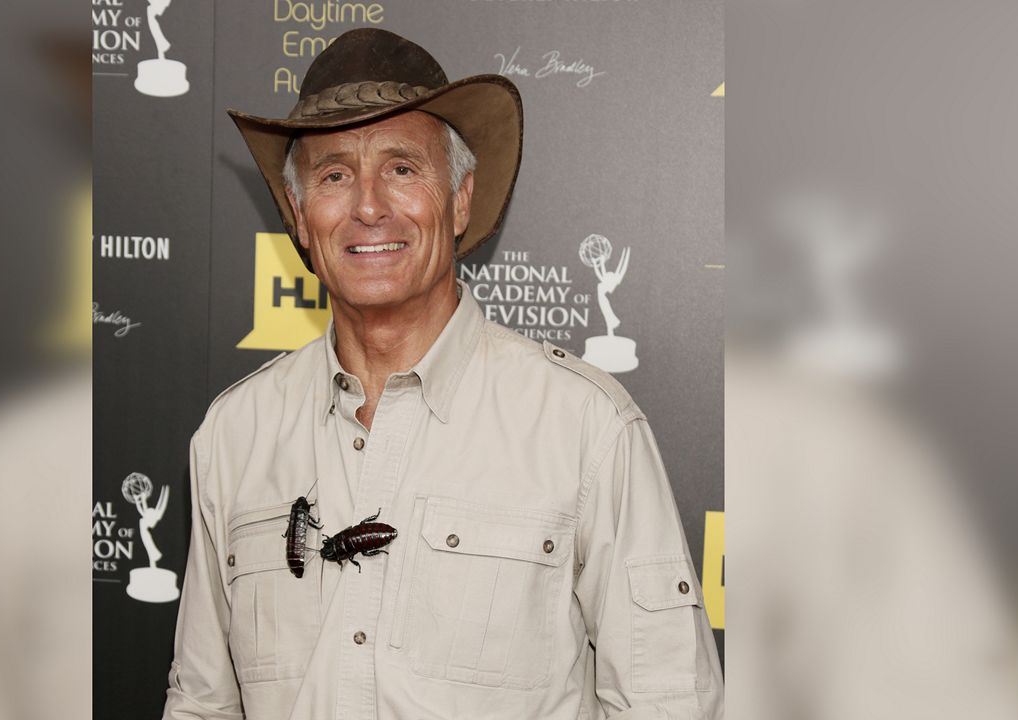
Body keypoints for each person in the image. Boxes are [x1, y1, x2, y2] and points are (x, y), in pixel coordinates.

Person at [162, 28, 723, 720]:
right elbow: (201, 703)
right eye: (335, 175)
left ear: (459, 200)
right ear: (300, 218)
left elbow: (666, 702)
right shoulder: (233, 435)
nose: (368, 205)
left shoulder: (585, 427)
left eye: (402, 168)